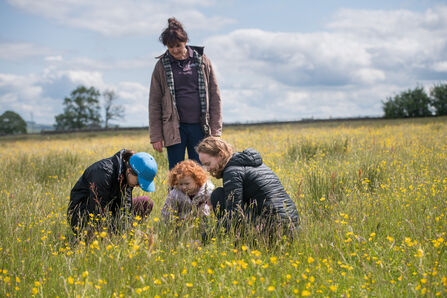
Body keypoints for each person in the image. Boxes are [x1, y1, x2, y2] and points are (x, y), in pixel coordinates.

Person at [149, 17, 222, 170]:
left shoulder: (202, 60)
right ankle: (175, 195)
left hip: (200, 126)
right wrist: (156, 136)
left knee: (200, 170)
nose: (175, 50)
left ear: (186, 41)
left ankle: (200, 196)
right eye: (170, 47)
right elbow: (154, 102)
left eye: (178, 45)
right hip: (174, 128)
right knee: (176, 171)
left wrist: (215, 131)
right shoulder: (161, 66)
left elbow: (215, 96)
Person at [196, 137, 300, 239]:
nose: (207, 169)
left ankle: (236, 239)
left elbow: (234, 215)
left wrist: (205, 239)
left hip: (274, 228)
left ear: (220, 155)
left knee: (217, 195)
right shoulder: (250, 164)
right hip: (293, 227)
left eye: (208, 164)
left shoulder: (232, 172)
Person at [67, 149, 157, 237]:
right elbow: (98, 212)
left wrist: (129, 228)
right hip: (84, 214)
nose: (138, 186)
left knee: (145, 202)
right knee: (109, 233)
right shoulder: (103, 173)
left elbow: (125, 207)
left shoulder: (126, 175)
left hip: (110, 210)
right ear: (130, 171)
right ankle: (82, 239)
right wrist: (125, 230)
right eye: (138, 182)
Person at [161, 160, 214, 230]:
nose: (183, 187)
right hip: (182, 225)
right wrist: (168, 227)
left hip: (202, 224)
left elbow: (213, 210)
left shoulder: (206, 192)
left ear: (197, 181)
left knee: (204, 208)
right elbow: (167, 212)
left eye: (187, 184)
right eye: (180, 184)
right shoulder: (175, 194)